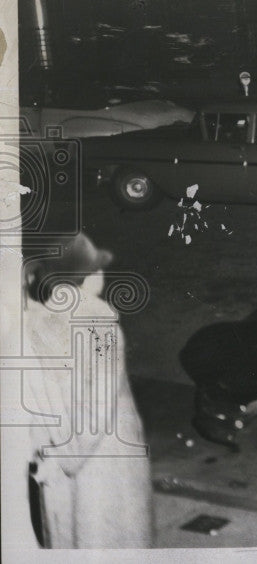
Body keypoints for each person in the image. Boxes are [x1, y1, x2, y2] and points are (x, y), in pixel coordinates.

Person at [22, 234, 153, 548]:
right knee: (110, 536)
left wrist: (55, 454)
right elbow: (99, 404)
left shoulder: (34, 321)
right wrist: (73, 455)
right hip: (104, 460)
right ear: (86, 277)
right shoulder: (100, 323)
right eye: (96, 269)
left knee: (71, 535)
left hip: (56, 458)